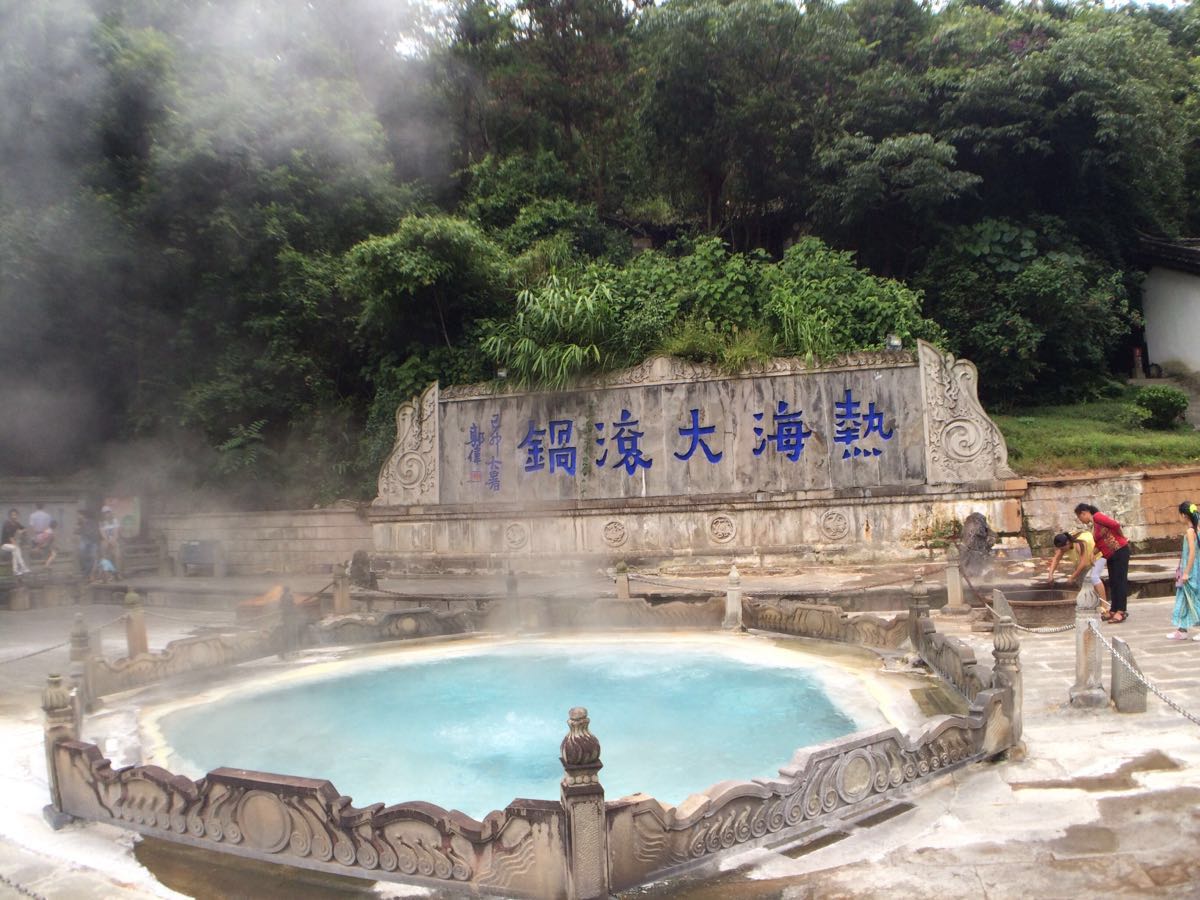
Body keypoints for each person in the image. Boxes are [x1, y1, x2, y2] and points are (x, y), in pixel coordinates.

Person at [1074, 504, 1132, 624]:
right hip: (1110, 554)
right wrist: (1092, 553)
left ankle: (1121, 611)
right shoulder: (1094, 526)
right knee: (1114, 582)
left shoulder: (1098, 517)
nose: (1081, 521)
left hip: (1119, 550)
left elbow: (1115, 525)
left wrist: (1121, 537)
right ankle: (1114, 609)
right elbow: (1100, 542)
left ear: (1084, 513)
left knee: (1120, 581)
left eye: (1080, 517)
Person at [1047, 531, 1108, 610]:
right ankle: (1090, 601)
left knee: (1094, 577)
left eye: (1062, 548)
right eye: (1059, 549)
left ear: (1068, 543)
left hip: (1098, 557)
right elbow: (1056, 559)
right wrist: (1050, 575)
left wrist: (1072, 577)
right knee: (1080, 582)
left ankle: (1104, 605)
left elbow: (1083, 563)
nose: (1061, 551)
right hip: (1085, 560)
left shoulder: (1079, 544)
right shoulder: (1063, 548)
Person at [1168, 501, 1200, 641]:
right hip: (1194, 568)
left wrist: (1186, 572)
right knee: (1184, 599)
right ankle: (1182, 630)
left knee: (1193, 600)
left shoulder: (1190, 531)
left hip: (1191, 570)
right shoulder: (1197, 529)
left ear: (1184, 515)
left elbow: (1192, 552)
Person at [1, 509, 31, 577]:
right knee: (15, 548)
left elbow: (25, 529)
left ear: (17, 516)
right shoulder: (7, 524)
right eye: (12, 515)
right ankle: (23, 567)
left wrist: (21, 531)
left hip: (12, 546)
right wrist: (17, 545)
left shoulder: (17, 523)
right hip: (4, 545)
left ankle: (15, 571)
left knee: (15, 552)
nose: (14, 517)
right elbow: (10, 538)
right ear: (9, 516)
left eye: (15, 515)